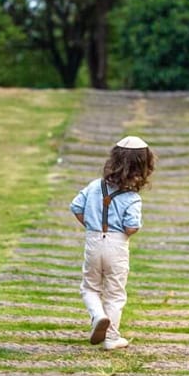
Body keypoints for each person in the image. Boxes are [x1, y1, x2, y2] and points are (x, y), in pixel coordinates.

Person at [69, 136, 156, 350]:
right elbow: (131, 227)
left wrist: (92, 225)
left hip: (93, 240)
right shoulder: (133, 198)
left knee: (90, 287)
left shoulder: (93, 186)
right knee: (115, 292)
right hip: (117, 246)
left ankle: (97, 315)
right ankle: (112, 337)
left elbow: (76, 207)